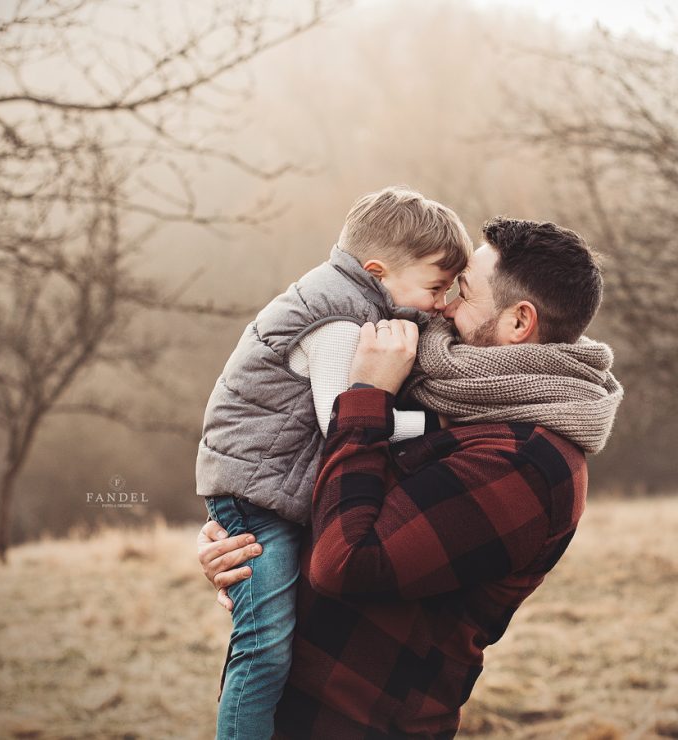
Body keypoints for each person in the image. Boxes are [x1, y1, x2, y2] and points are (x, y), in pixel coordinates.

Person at [199, 217, 624, 737]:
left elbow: (345, 561)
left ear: (519, 323)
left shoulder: (527, 463)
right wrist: (250, 538)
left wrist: (368, 396)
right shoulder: (453, 397)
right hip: (289, 709)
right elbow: (344, 497)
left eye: (462, 292)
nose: (442, 304)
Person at [195, 186, 472, 739]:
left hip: (271, 487)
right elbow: (345, 423)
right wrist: (440, 429)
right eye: (436, 287)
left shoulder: (356, 301)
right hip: (257, 498)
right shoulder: (336, 324)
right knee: (265, 648)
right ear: (378, 271)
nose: (442, 303)